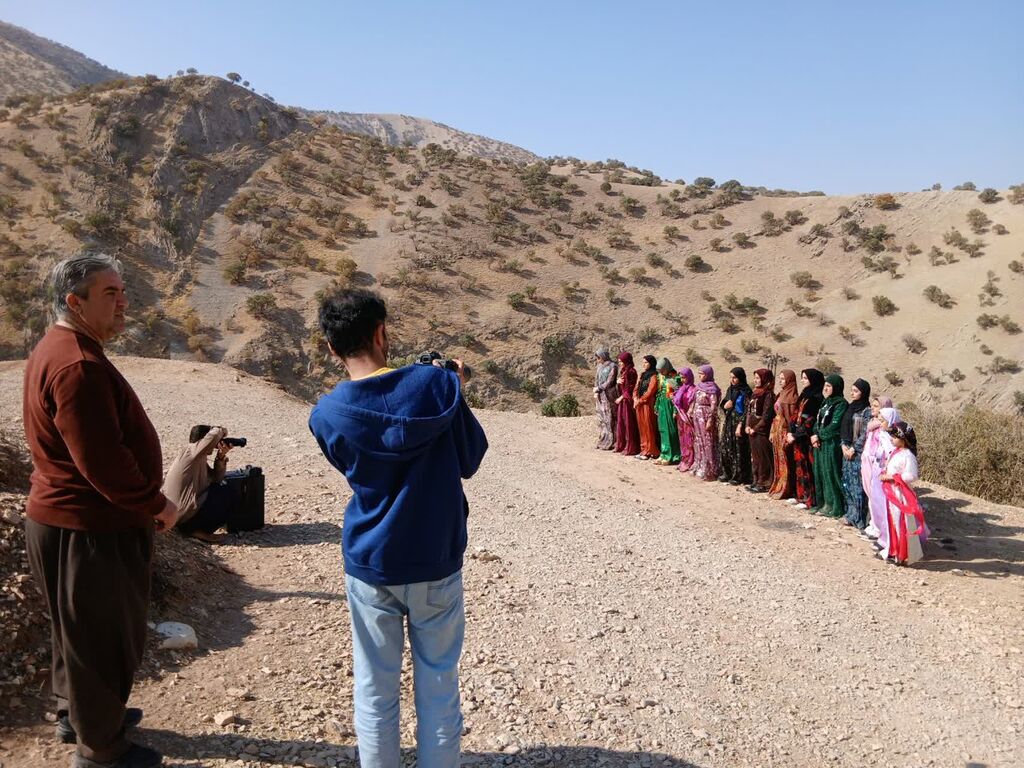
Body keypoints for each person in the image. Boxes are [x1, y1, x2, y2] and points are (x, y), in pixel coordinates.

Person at [308, 288, 488, 768]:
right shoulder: (435, 387)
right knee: (438, 687)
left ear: (331, 347)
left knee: (374, 688)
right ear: (381, 333)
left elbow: (355, 469)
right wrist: (454, 389)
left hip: (371, 561)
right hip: (435, 558)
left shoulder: (325, 415)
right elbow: (470, 458)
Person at [22, 253, 178, 768]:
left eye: (122, 292)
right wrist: (157, 506)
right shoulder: (79, 366)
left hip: (63, 521)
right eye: (109, 294)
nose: (123, 303)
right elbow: (104, 465)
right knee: (102, 638)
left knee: (76, 631)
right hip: (88, 527)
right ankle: (102, 750)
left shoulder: (61, 346)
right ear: (75, 301)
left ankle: (82, 715)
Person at [162, 425, 238, 542]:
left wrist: (220, 457)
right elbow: (213, 435)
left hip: (178, 513)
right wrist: (222, 431)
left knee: (221, 489)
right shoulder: (191, 452)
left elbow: (216, 479)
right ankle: (193, 530)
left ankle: (195, 528)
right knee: (228, 493)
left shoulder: (197, 457)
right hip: (183, 515)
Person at [881, 421, 928, 565]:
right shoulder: (896, 452)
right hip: (892, 491)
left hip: (900, 493)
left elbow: (911, 475)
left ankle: (902, 555)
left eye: (895, 437)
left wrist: (892, 477)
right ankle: (894, 551)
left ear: (904, 439)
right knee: (892, 521)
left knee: (901, 522)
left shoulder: (908, 455)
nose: (891, 439)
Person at [786, 369, 824, 510]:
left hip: (806, 438)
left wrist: (797, 434)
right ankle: (800, 495)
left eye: (805, 378)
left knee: (808, 468)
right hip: (797, 436)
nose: (802, 381)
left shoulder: (817, 397)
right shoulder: (804, 395)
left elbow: (810, 420)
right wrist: (791, 431)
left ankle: (809, 499)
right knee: (799, 467)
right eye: (802, 378)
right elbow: (795, 414)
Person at [810, 374, 848, 517]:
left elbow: (835, 424)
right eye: (824, 386)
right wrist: (814, 435)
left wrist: (820, 435)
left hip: (831, 443)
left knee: (831, 473)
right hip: (819, 443)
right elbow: (817, 421)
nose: (825, 389)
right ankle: (823, 503)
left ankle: (834, 506)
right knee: (820, 472)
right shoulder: (826, 402)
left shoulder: (841, 404)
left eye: (829, 386)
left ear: (836, 387)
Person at [860, 398, 896, 545]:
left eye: (876, 406)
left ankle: (879, 529)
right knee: (871, 493)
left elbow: (887, 451)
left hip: (879, 466)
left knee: (878, 497)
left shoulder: (886, 433)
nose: (872, 408)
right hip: (870, 462)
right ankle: (874, 525)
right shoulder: (873, 426)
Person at [839, 379, 871, 529]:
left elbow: (865, 433)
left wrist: (854, 448)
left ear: (863, 393)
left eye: (856, 391)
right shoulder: (850, 408)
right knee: (847, 484)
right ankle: (849, 514)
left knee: (857, 486)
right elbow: (843, 428)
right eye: (851, 390)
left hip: (857, 453)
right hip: (846, 451)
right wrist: (843, 445)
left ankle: (859, 518)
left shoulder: (867, 411)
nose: (852, 393)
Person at [767, 370, 799, 500]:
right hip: (776, 428)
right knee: (778, 460)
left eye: (783, 379)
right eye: (779, 379)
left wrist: (787, 432)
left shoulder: (792, 397)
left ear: (790, 380)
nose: (780, 381)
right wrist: (772, 431)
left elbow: (791, 418)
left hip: (785, 430)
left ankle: (787, 489)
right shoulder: (781, 394)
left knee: (786, 459)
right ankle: (778, 485)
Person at [718, 367, 752, 485]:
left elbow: (748, 410)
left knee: (738, 449)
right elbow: (723, 403)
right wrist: (725, 406)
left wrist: (741, 424)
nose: (732, 380)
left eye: (735, 377)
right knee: (726, 447)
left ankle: (739, 476)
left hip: (739, 423)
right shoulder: (730, 390)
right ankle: (727, 473)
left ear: (740, 378)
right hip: (729, 422)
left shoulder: (746, 391)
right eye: (731, 377)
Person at [689, 364, 722, 481]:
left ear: (708, 374)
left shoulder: (712, 389)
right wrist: (691, 410)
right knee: (698, 440)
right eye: (699, 373)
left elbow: (714, 406)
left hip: (706, 416)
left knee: (708, 441)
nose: (700, 376)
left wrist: (710, 420)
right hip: (697, 417)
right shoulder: (699, 387)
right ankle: (699, 465)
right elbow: (694, 400)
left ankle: (710, 469)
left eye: (702, 374)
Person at [745, 368, 775, 493]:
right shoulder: (755, 393)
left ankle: (764, 483)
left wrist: (755, 429)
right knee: (755, 457)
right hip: (751, 429)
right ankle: (756, 480)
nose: (756, 381)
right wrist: (747, 425)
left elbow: (766, 415)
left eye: (758, 378)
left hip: (761, 431)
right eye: (755, 378)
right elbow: (749, 411)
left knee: (763, 457)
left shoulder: (768, 395)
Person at [654, 357, 681, 466]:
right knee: (663, 430)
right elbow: (659, 392)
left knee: (671, 431)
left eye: (662, 370)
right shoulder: (661, 377)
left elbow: (678, 395)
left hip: (670, 406)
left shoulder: (676, 377)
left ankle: (673, 455)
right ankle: (664, 453)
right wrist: (656, 405)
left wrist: (675, 410)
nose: (660, 372)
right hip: (662, 405)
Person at [633, 355, 661, 461]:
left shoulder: (654, 376)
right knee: (642, 427)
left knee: (649, 427)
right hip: (639, 404)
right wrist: (635, 398)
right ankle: (644, 449)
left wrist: (639, 401)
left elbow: (650, 391)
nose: (644, 364)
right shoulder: (642, 375)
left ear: (651, 363)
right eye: (643, 362)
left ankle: (651, 451)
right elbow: (637, 387)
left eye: (646, 362)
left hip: (648, 404)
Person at [614, 352, 640, 456]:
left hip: (627, 401)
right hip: (622, 401)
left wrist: (621, 397)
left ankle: (631, 447)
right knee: (622, 423)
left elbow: (630, 388)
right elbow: (622, 386)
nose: (619, 363)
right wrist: (618, 382)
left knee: (629, 424)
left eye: (621, 361)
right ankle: (622, 445)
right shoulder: (623, 371)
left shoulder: (631, 372)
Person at [672, 367, 697, 473]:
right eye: (681, 378)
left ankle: (690, 461)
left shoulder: (694, 389)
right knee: (682, 440)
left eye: (684, 378)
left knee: (689, 440)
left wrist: (688, 414)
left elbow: (693, 404)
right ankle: (684, 460)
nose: (682, 380)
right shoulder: (682, 388)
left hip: (688, 418)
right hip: (681, 418)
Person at [592, 347, 618, 450]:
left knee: (610, 418)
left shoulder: (613, 366)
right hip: (600, 395)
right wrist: (595, 390)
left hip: (609, 395)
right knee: (601, 419)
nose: (598, 359)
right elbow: (596, 379)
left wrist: (599, 388)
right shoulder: (599, 366)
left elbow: (610, 381)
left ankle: (611, 441)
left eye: (598, 357)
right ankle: (603, 439)